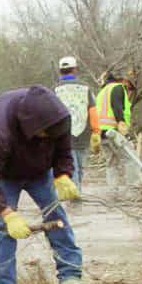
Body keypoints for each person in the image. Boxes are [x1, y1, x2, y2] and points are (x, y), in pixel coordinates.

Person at [0, 85, 84, 284]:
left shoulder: (58, 118)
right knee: (3, 228)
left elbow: (64, 151)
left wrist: (63, 175)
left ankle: (70, 275)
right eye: (45, 135)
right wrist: (7, 213)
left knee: (57, 215)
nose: (49, 138)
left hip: (40, 171)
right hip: (4, 173)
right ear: (31, 126)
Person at [52, 56, 96, 191]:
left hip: (62, 135)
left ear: (60, 71)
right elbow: (93, 111)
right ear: (75, 69)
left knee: (71, 166)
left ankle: (74, 192)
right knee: (79, 167)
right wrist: (97, 132)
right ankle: (77, 192)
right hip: (84, 134)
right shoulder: (85, 88)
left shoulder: (54, 90)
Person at [95, 69, 139, 189]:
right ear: (124, 80)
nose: (128, 89)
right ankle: (134, 188)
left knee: (111, 161)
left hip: (101, 132)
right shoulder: (118, 88)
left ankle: (112, 189)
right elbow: (117, 107)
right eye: (129, 86)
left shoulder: (103, 91)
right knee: (130, 159)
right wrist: (122, 125)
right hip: (113, 131)